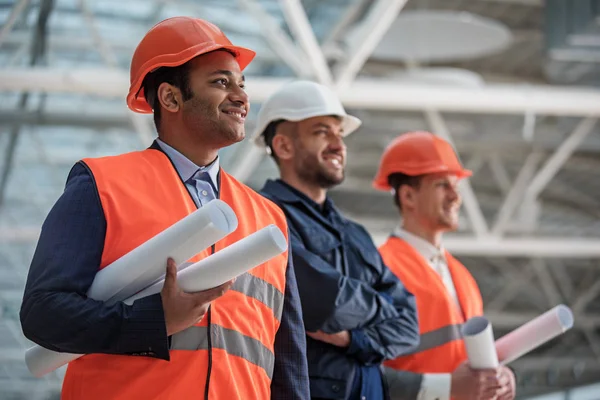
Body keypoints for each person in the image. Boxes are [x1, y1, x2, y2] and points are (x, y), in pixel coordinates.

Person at [20, 17, 310, 400]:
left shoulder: (269, 219)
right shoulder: (102, 185)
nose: (241, 96)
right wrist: (152, 322)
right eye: (221, 82)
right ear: (171, 98)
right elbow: (44, 313)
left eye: (242, 84)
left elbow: (288, 363)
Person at [252, 80, 420, 400]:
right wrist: (384, 308)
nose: (338, 145)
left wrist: (352, 339)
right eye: (321, 132)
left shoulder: (356, 234)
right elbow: (324, 303)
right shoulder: (265, 216)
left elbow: (410, 324)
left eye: (339, 134)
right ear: (285, 146)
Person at [373, 131, 516, 400]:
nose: (455, 197)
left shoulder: (462, 277)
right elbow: (364, 371)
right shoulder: (380, 266)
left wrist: (500, 378)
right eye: (442, 185)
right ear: (408, 197)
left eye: (456, 186)